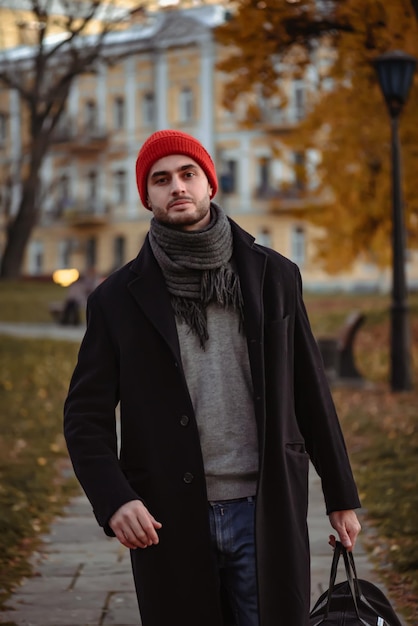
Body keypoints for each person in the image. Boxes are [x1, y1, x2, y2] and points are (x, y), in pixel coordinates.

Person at [64, 130, 361, 626]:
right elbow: (84, 416)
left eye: (188, 174)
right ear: (147, 196)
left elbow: (311, 393)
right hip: (168, 515)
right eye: (161, 180)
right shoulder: (116, 299)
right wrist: (114, 499)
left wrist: (341, 496)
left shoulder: (274, 276)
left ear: (209, 184)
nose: (176, 187)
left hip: (266, 508)